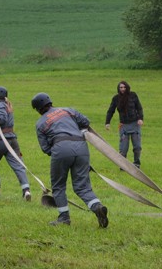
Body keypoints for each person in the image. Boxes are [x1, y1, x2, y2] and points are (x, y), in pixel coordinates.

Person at [31, 92, 109, 228]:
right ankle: (97, 207)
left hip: (60, 148)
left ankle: (64, 218)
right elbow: (85, 122)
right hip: (82, 147)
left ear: (38, 109)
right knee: (82, 186)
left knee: (58, 186)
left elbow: (45, 149)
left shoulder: (40, 123)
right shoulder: (68, 110)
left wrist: (59, 153)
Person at [0, 86, 31, 201]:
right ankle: (26, 190)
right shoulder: (8, 105)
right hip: (13, 139)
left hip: (2, 140)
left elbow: (1, 120)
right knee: (18, 166)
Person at [104, 80, 145, 168]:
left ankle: (136, 163)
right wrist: (107, 123)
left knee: (137, 147)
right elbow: (110, 111)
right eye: (121, 87)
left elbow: (139, 108)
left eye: (124, 87)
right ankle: (123, 165)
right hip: (124, 126)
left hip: (135, 124)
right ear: (118, 88)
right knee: (123, 148)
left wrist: (140, 119)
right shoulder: (116, 98)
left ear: (127, 87)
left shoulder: (133, 95)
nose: (123, 89)